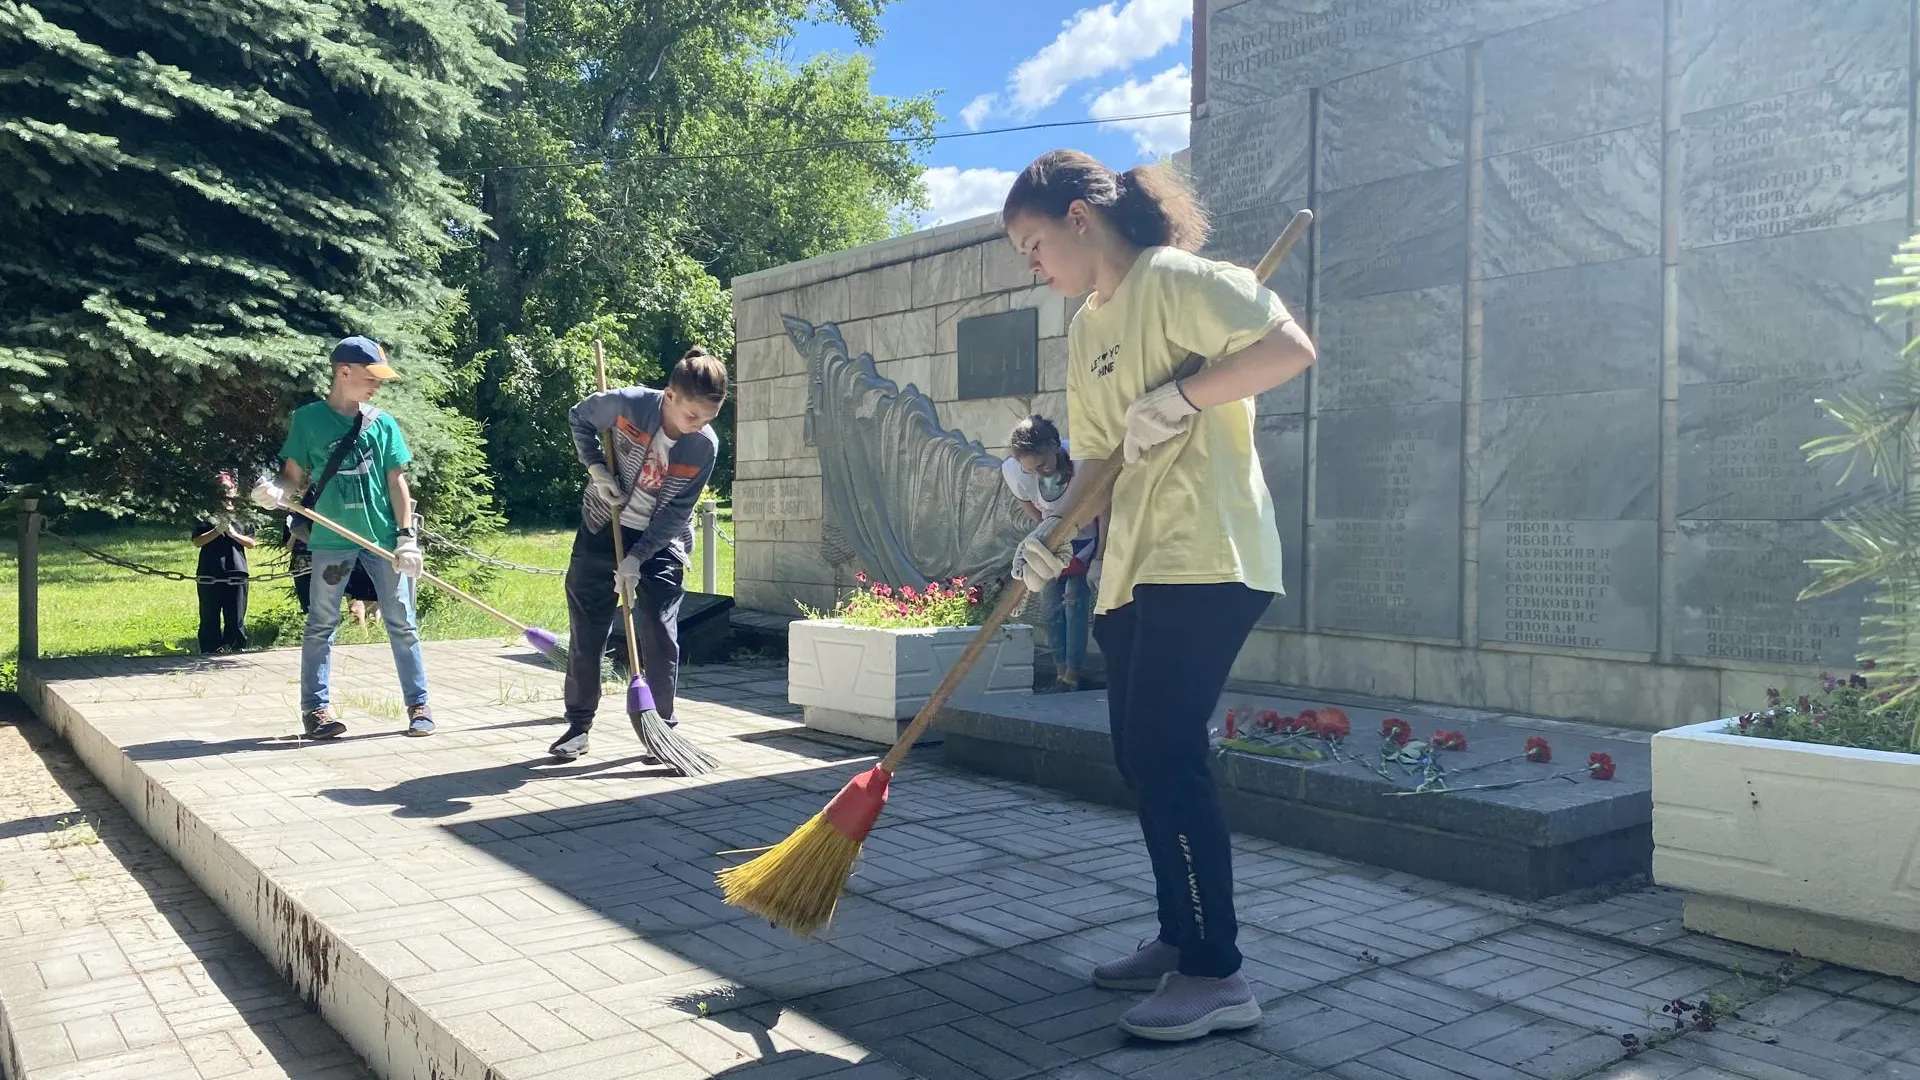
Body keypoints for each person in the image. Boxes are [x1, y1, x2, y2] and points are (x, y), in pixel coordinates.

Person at [1000, 149, 1316, 1042]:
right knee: (1139, 756)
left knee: (1166, 748)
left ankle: (1220, 972)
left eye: (1032, 243)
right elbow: (1102, 459)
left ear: (1077, 218)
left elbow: (1288, 348)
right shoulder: (1087, 328)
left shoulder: (1175, 280)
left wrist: (1185, 394)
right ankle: (1181, 939)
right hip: (1133, 564)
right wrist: (1050, 534)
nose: (1032, 264)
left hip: (1208, 551)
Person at [547, 347, 728, 761]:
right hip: (602, 524)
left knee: (659, 630)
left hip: (663, 540)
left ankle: (661, 728)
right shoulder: (626, 403)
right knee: (588, 626)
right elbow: (580, 417)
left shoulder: (704, 446)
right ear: (670, 395)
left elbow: (678, 512)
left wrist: (637, 558)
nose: (698, 427)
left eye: (708, 419)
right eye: (691, 416)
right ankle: (578, 724)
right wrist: (595, 467)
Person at [251, 336, 433, 740]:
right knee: (321, 623)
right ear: (343, 372)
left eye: (380, 379)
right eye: (370, 377)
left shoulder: (382, 423)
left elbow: (397, 483)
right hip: (331, 539)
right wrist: (276, 492)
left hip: (384, 540)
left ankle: (419, 706)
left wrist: (407, 538)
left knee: (402, 622)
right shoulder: (308, 420)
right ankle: (316, 711)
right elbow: (292, 478)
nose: (377, 385)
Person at [1001, 415, 1098, 691]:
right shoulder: (1017, 472)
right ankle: (1058, 672)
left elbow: (1101, 506)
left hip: (1085, 541)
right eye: (1031, 470)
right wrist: (1045, 528)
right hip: (1052, 542)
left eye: (1043, 465)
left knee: (1074, 603)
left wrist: (1100, 554)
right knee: (1050, 603)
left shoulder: (1081, 461)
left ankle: (1073, 673)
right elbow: (1024, 501)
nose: (1039, 473)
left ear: (1054, 446)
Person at [191, 471, 256, 653]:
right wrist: (217, 531)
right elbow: (197, 541)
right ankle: (209, 650)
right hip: (209, 571)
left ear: (235, 490)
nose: (226, 494)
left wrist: (234, 535)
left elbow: (251, 543)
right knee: (209, 616)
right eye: (221, 489)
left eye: (229, 489)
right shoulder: (205, 514)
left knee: (235, 617)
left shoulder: (243, 514)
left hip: (236, 571)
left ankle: (235, 649)